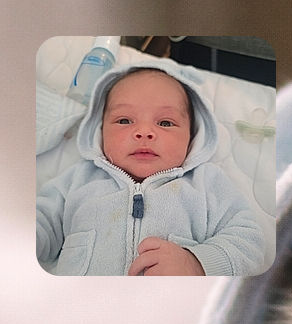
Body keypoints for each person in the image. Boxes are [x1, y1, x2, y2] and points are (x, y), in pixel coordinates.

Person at [36, 65, 266, 276]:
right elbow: (41, 222)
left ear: (192, 136)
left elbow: (249, 241)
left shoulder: (206, 183)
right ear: (100, 130)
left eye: (165, 123)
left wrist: (197, 264)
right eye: (124, 120)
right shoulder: (78, 179)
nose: (144, 132)